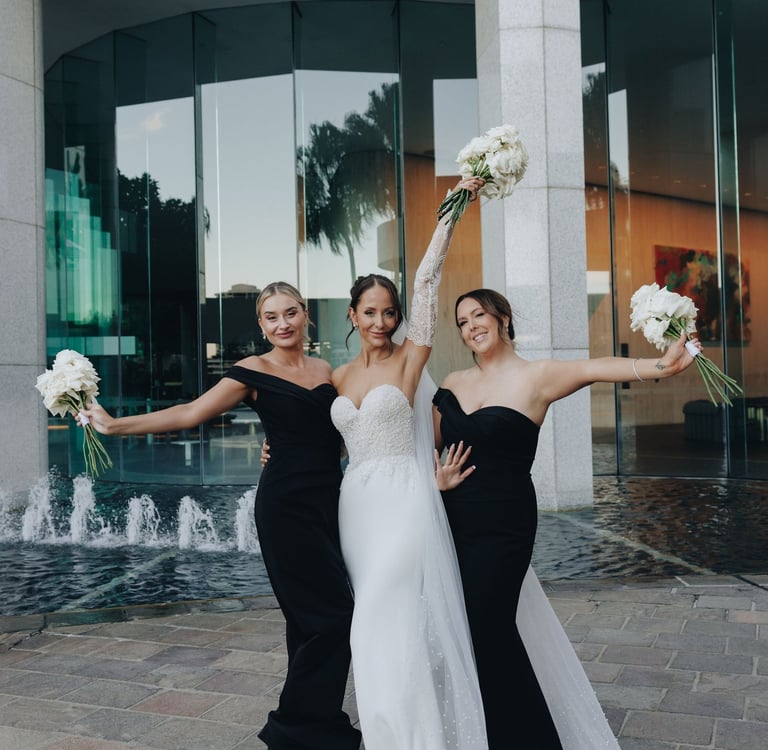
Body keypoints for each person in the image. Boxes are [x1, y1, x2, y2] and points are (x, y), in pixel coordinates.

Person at [79, 282, 361, 750]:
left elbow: (339, 434)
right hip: (285, 507)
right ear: (261, 325)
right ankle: (295, 726)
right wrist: (114, 425)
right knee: (333, 616)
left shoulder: (326, 370)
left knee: (308, 620)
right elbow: (191, 412)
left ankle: (319, 723)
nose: (283, 324)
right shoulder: (252, 370)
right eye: (271, 317)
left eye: (290, 313)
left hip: (329, 503)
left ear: (305, 315)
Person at [432, 287, 701, 750]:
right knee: (467, 627)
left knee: (489, 625)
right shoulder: (452, 382)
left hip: (505, 523)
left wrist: (663, 365)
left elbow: (594, 367)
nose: (471, 326)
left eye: (479, 315)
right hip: (453, 517)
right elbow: (424, 445)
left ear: (502, 318)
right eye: (462, 321)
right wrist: (436, 479)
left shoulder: (539, 377)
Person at [329, 177, 488, 749]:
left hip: (403, 499)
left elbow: (426, 280)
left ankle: (414, 738)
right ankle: (383, 733)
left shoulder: (408, 364)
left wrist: (455, 205)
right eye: (369, 312)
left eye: (389, 312)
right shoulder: (336, 378)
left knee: (382, 611)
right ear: (352, 313)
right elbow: (319, 437)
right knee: (368, 623)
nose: (380, 322)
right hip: (357, 506)